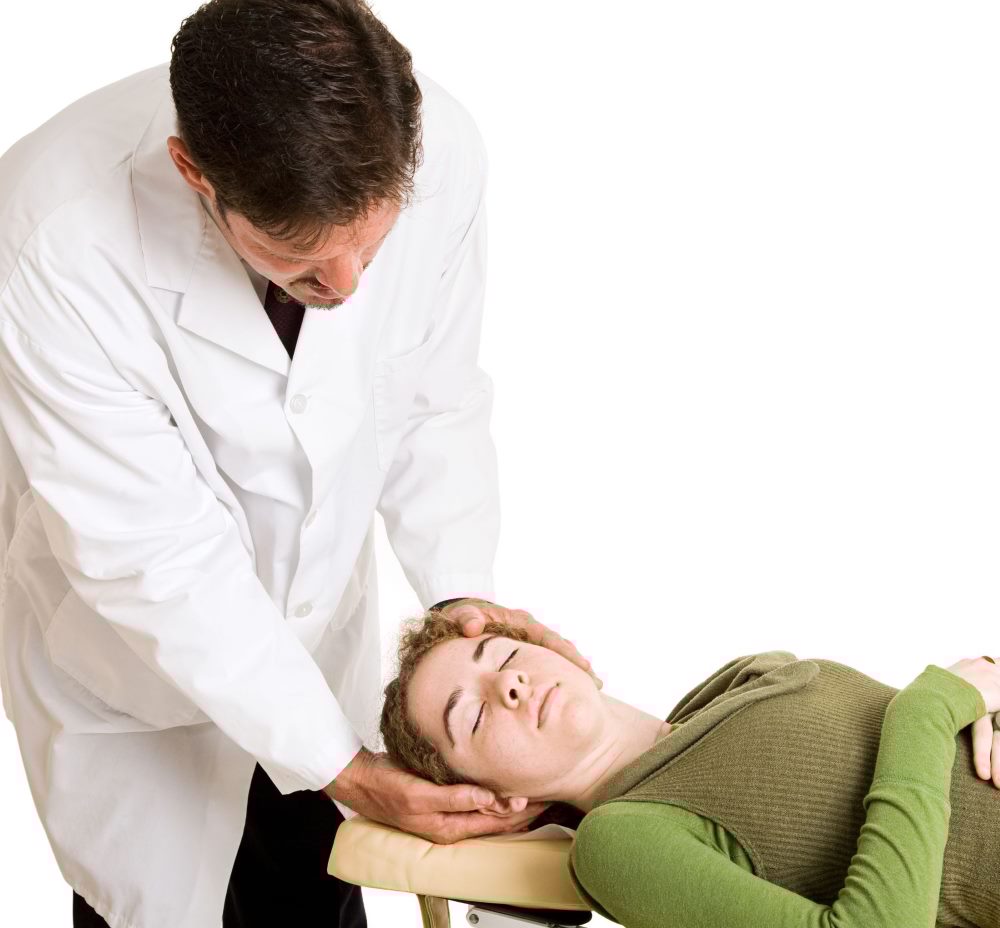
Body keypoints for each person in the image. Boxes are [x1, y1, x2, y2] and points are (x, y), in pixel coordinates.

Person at [0, 2, 596, 927]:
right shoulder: (51, 237)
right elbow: (157, 558)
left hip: (319, 637)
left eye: (373, 243)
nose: (350, 286)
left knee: (314, 896)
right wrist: (342, 767)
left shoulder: (445, 152)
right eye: (304, 263)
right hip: (135, 673)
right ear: (194, 174)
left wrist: (457, 602)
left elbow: (434, 396)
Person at [380, 607, 1000, 928]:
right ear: (494, 801)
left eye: (504, 655)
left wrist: (979, 702)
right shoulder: (622, 839)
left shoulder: (745, 678)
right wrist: (929, 709)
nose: (509, 684)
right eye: (474, 718)